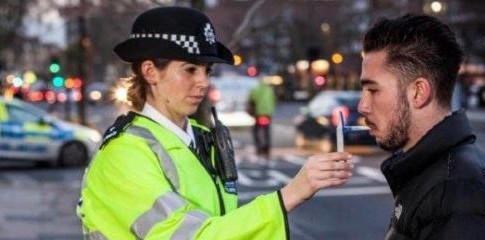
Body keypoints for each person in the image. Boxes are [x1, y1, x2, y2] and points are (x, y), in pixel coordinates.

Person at [77, 6, 354, 239]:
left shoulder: (199, 136)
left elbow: (222, 221)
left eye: (207, 71)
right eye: (189, 69)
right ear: (150, 71)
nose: (203, 82)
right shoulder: (124, 155)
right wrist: (292, 193)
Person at [358, 13, 485, 239]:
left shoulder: (457, 193)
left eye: (373, 90)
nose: (362, 106)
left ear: (418, 92)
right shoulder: (435, 175)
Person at [248, 75, 276, 162]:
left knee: (256, 130)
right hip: (268, 113)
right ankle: (267, 148)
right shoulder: (270, 90)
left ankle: (259, 147)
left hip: (259, 113)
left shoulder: (256, 89)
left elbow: (251, 99)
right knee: (266, 131)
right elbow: (274, 100)